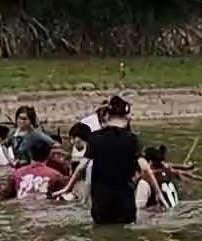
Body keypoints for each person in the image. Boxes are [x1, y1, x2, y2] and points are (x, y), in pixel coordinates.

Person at [58, 96, 160, 225]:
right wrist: (158, 193)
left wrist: (67, 188)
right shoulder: (131, 139)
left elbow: (81, 167)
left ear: (108, 116)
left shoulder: (95, 138)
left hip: (101, 202)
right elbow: (145, 169)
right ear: (126, 117)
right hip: (124, 202)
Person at [0, 138, 71, 201]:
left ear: (29, 153)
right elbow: (67, 194)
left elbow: (4, 196)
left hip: (22, 207)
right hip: (44, 209)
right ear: (49, 154)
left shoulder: (16, 173)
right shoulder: (56, 175)